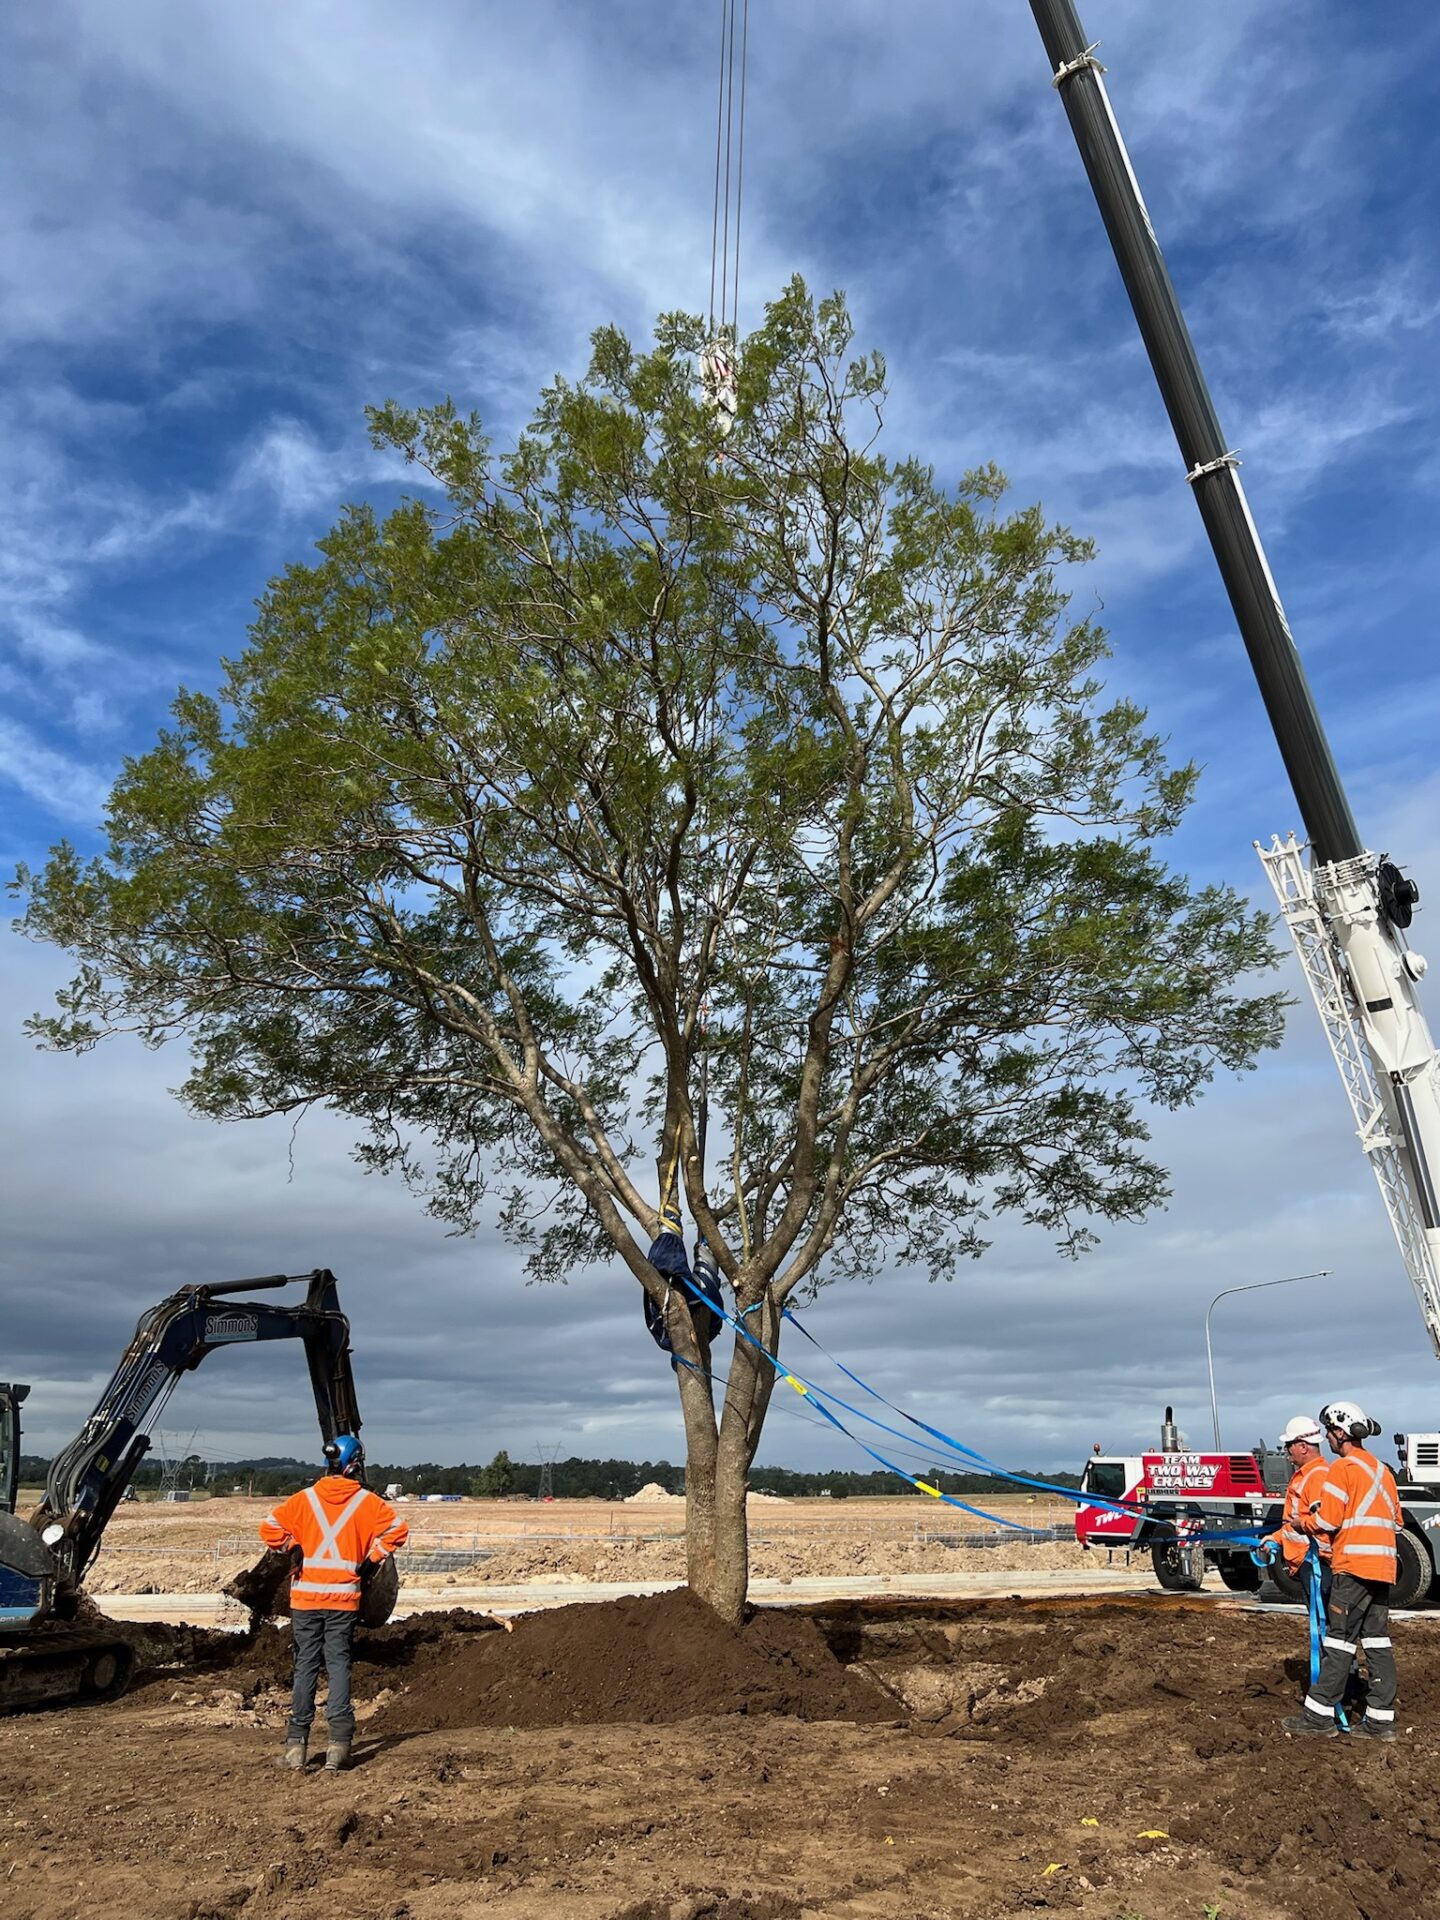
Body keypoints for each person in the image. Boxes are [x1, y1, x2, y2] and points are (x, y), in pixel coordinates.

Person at [258, 1435, 408, 1772]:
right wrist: (372, 1560)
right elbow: (398, 1530)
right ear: (355, 1463)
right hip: (343, 1599)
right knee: (339, 1664)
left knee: (305, 1666)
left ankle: (296, 1747)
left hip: (305, 1600)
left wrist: (293, 1547)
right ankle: (339, 1746)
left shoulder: (303, 1500)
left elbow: (268, 1528)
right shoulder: (367, 1504)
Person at [1282, 1400, 1401, 1742]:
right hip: (1383, 1568)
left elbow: (1327, 1520)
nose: (1328, 1439)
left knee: (1339, 1639)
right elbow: (1395, 1521)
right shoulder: (1381, 1470)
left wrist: (1300, 1523)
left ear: (1339, 1432)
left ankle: (1319, 1715)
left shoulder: (1342, 1470)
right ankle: (1380, 1721)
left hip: (1352, 1567)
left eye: (1330, 1432)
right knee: (1377, 1641)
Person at [1261, 1415, 1331, 1609]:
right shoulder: (1306, 1475)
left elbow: (1320, 1522)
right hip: (1309, 1562)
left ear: (1303, 1446)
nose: (1286, 1449)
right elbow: (1293, 1522)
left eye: (1289, 1444)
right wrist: (1274, 1538)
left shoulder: (1317, 1477)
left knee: (1324, 1623)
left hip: (1319, 1563)